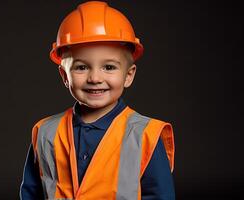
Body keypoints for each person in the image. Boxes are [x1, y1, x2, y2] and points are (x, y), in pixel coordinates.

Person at [20, 1, 175, 199]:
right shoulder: (45, 132)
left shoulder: (146, 136)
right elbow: (31, 193)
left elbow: (160, 195)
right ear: (65, 76)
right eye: (81, 67)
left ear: (128, 75)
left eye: (109, 67)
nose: (94, 78)